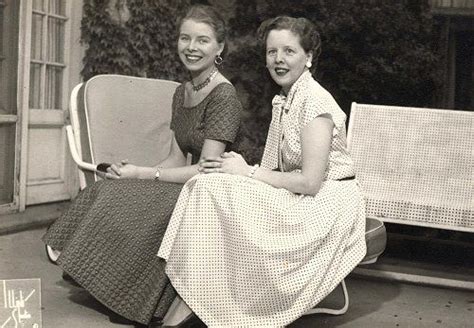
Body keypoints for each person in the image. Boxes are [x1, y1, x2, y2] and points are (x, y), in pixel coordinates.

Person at [157, 16, 367, 327]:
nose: (278, 60)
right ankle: (196, 297)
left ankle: (196, 304)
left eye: (289, 51)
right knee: (207, 183)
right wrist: (233, 171)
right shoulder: (286, 97)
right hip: (299, 193)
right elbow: (273, 166)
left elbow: (310, 182)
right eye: (272, 52)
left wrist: (247, 173)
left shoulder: (315, 103)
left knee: (216, 188)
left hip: (328, 202)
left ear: (308, 58)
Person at [42, 4, 242, 326]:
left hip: (215, 193)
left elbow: (208, 168)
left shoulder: (224, 96)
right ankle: (98, 280)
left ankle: (129, 295)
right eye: (185, 38)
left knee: (136, 201)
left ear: (219, 47)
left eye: (202, 41)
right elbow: (176, 158)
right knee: (111, 189)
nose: (191, 48)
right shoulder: (184, 92)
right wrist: (134, 172)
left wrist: (145, 174)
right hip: (191, 183)